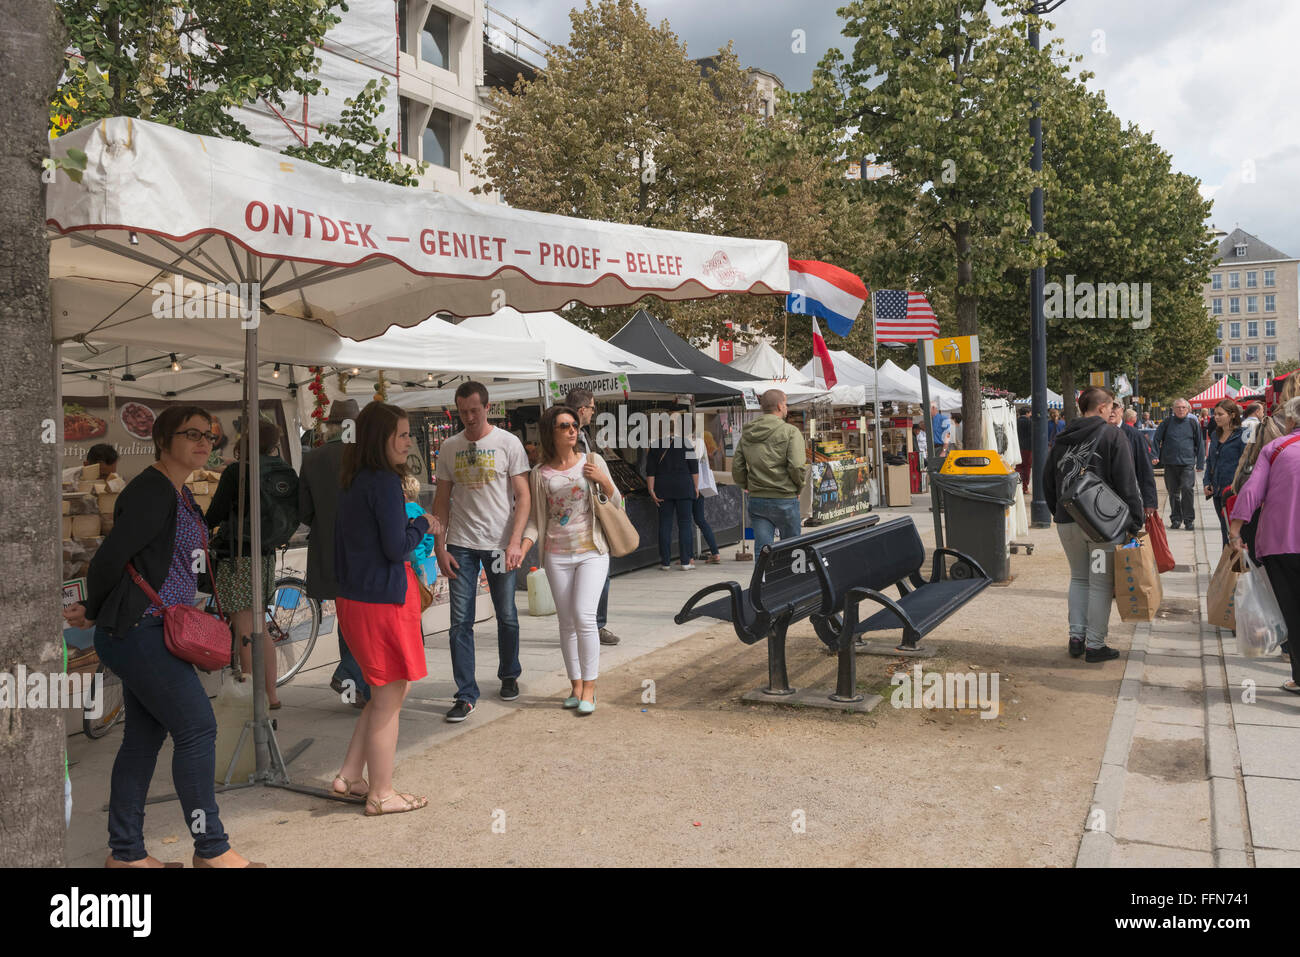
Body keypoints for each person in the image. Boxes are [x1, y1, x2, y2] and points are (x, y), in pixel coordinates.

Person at [63, 405, 261, 867]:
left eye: (209, 436)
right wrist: (92, 610)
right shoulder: (154, 490)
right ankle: (211, 850)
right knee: (197, 728)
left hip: (152, 627)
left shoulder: (177, 490)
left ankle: (126, 855)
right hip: (140, 629)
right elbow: (110, 557)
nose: (202, 442)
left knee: (143, 740)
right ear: (163, 440)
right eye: (190, 434)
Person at [333, 402, 440, 815]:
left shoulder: (354, 480)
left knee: (385, 694)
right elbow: (397, 548)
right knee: (390, 696)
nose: (408, 441)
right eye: (401, 434)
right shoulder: (382, 483)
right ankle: (381, 792)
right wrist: (422, 524)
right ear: (382, 440)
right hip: (381, 601)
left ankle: (350, 774)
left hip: (358, 599)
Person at [433, 381, 530, 723]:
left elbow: (524, 496)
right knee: (460, 622)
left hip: (500, 543)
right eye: (463, 412)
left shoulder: (508, 443)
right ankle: (465, 694)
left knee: (506, 614)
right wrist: (439, 548)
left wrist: (515, 541)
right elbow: (441, 501)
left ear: (488, 407)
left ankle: (509, 674)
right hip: (461, 543)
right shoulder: (449, 447)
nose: (469, 417)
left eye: (475, 410)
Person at [521, 405, 622, 714]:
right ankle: (575, 684)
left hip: (592, 550)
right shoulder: (540, 473)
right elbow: (536, 520)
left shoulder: (592, 462)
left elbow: (616, 500)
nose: (572, 430)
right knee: (566, 622)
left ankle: (590, 687)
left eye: (574, 425)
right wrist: (521, 548)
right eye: (564, 426)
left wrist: (603, 480)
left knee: (583, 615)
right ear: (551, 432)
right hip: (556, 553)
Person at [1043, 386, 1144, 664]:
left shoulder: (1062, 437)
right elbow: (1126, 481)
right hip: (1102, 526)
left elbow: (1047, 479)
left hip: (1068, 519)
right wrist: (1135, 521)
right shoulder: (1113, 435)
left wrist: (1058, 512)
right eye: (1111, 406)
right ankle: (1095, 645)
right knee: (1100, 584)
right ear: (1101, 408)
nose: (1113, 411)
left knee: (1078, 578)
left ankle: (1076, 637)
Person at [205, 418, 293, 710]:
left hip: (237, 557)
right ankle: (271, 694)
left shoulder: (235, 472)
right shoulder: (282, 469)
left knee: (243, 629)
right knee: (260, 627)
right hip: (266, 554)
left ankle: (252, 701)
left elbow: (215, 513)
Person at [1228, 394, 1300, 693]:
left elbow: (1250, 492)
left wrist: (1235, 531)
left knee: (1292, 611)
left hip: (1280, 543)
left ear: (1292, 420)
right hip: (1281, 541)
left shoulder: (1276, 448)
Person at [299, 398, 368, 709]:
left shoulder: (313, 459)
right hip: (364, 552)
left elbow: (303, 511)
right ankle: (349, 674)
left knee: (347, 618)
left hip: (328, 551)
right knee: (365, 619)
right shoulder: (367, 456)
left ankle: (354, 689)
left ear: (330, 426)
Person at [565, 387, 619, 645]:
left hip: (593, 513)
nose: (594, 412)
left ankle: (595, 625)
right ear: (582, 409)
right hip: (572, 518)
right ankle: (588, 626)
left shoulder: (585, 436)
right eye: (593, 408)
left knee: (601, 573)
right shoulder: (568, 436)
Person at [731, 389, 808, 554]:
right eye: (786, 404)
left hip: (757, 497)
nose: (787, 407)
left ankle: (763, 579)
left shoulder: (748, 432)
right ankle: (794, 578)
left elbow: (737, 466)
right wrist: (799, 486)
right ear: (780, 406)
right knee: (793, 548)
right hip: (785, 497)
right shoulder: (790, 431)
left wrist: (747, 485)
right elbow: (796, 466)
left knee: (763, 549)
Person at [646, 412, 699, 570]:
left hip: (663, 488)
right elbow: (694, 469)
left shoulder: (655, 445)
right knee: (685, 524)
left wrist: (651, 490)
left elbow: (650, 471)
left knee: (665, 524)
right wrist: (696, 487)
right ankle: (685, 562)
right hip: (684, 486)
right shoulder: (687, 443)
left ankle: (665, 562)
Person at [1153, 398, 1204, 531]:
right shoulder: (1167, 422)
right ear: (1173, 409)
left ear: (1188, 409)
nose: (1181, 410)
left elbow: (1200, 443)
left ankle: (1189, 520)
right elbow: (1156, 439)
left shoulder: (1193, 423)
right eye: (1178, 407)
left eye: (1183, 407)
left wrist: (1200, 463)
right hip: (1170, 463)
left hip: (1187, 463)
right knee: (1173, 492)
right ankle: (1176, 519)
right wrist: (1155, 455)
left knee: (1187, 489)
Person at [1206, 399, 1245, 547]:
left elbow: (1245, 464)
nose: (1216, 417)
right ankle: (1228, 564)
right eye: (1215, 414)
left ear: (1232, 415)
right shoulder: (1215, 435)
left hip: (1233, 490)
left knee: (1234, 531)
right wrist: (1206, 482)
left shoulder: (1242, 435)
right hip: (1217, 491)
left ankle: (1236, 565)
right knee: (1224, 529)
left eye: (1220, 414)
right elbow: (1210, 461)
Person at [1120, 407, 1158, 519]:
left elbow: (1145, 468)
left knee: (1134, 533)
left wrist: (1149, 501)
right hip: (1105, 500)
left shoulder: (1135, 435)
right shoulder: (1097, 433)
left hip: (1131, 497)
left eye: (1115, 408)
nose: (1112, 411)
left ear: (1121, 411)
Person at [690, 429, 721, 563]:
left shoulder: (685, 443)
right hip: (701, 485)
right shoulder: (700, 442)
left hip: (689, 485)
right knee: (700, 520)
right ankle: (715, 553)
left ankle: (688, 557)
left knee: (685, 521)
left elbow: (690, 466)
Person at [1015, 407, 1032, 493]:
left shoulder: (1015, 421)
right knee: (1026, 467)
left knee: (1018, 466)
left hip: (1017, 447)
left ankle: (1017, 485)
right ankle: (1025, 487)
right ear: (1027, 413)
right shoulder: (1029, 422)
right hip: (1027, 448)